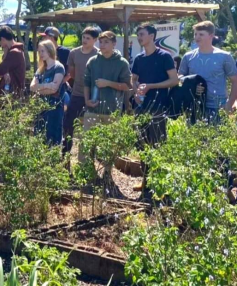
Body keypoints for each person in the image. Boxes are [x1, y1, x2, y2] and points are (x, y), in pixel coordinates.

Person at [132, 24, 179, 194]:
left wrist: (151, 86)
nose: (139, 37)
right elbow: (134, 79)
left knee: (157, 145)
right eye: (138, 34)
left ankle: (159, 185)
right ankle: (146, 182)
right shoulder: (138, 58)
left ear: (152, 36)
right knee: (142, 146)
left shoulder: (164, 56)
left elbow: (174, 80)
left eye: (142, 34)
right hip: (141, 107)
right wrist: (136, 91)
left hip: (159, 107)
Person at [80, 31, 131, 161]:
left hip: (112, 111)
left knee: (109, 146)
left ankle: (107, 175)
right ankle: (87, 174)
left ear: (114, 44)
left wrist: (108, 83)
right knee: (87, 144)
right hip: (92, 110)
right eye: (101, 42)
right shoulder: (93, 61)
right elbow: (86, 83)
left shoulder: (122, 63)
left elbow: (127, 86)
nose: (102, 45)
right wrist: (87, 101)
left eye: (106, 42)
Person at [179, 21, 237, 123]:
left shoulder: (224, 56)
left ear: (211, 36)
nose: (197, 37)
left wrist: (230, 104)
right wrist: (191, 85)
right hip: (194, 106)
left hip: (218, 107)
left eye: (201, 34)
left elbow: (235, 81)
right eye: (195, 34)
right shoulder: (188, 57)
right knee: (193, 139)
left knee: (217, 138)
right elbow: (179, 77)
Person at [62, 27, 99, 155]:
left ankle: (91, 156)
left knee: (92, 127)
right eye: (83, 37)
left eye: (88, 38)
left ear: (95, 40)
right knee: (68, 125)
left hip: (93, 95)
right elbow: (72, 73)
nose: (85, 40)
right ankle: (65, 155)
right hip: (77, 93)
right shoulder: (74, 53)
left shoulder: (98, 55)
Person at [30, 40, 66, 145]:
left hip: (54, 107)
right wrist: (47, 85)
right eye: (39, 51)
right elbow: (32, 87)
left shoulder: (58, 67)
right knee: (39, 133)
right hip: (40, 106)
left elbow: (54, 89)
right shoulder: (40, 69)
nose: (40, 54)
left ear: (50, 51)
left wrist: (40, 88)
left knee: (52, 135)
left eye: (43, 51)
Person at [0, 26, 26, 97]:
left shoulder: (14, 52)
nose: (0, 45)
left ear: (2, 39)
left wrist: (5, 53)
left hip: (13, 94)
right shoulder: (15, 51)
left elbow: (0, 70)